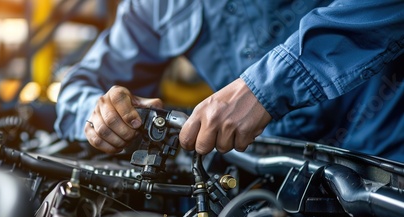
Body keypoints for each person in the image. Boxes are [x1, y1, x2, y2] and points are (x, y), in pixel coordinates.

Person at [55, 0, 404, 162]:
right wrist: (100, 113)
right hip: (265, 172)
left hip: (380, 156)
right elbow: (81, 86)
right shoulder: (153, 5)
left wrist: (266, 86)